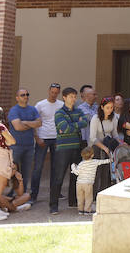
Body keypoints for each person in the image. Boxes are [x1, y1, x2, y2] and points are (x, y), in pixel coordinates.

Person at [49, 87, 90, 215]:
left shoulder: (78, 111)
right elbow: (64, 128)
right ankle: (53, 205)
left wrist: (72, 126)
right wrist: (75, 125)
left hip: (76, 147)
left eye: (74, 96)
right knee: (58, 176)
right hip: (63, 149)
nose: (73, 99)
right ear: (64, 98)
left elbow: (85, 122)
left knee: (75, 176)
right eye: (71, 96)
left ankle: (73, 201)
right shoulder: (59, 113)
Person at [32, 82, 62, 202]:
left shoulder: (61, 105)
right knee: (38, 167)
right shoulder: (40, 105)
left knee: (56, 167)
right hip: (42, 138)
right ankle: (33, 194)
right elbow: (34, 122)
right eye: (52, 92)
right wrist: (37, 138)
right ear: (48, 91)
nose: (54, 94)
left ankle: (55, 193)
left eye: (56, 92)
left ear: (58, 93)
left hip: (56, 138)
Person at [8, 88, 40, 197]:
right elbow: (17, 127)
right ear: (17, 98)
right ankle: (11, 193)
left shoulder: (33, 109)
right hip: (15, 146)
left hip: (29, 146)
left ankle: (22, 194)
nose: (25, 96)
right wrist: (31, 124)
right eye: (22, 95)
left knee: (26, 172)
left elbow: (39, 123)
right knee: (12, 171)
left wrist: (25, 122)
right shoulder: (14, 110)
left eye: (27, 94)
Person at [89, 97, 121, 193]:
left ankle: (104, 192)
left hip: (108, 146)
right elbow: (92, 138)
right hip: (97, 147)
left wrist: (120, 143)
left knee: (107, 172)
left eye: (111, 107)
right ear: (102, 107)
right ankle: (94, 195)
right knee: (97, 172)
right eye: (107, 107)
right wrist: (104, 148)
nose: (110, 110)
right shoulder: (96, 118)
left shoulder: (114, 117)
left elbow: (114, 133)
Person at [71, 146, 111, 215]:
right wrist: (111, 159)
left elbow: (77, 172)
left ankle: (80, 210)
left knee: (80, 197)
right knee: (88, 197)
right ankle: (87, 210)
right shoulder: (95, 162)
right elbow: (104, 161)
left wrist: (73, 166)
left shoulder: (81, 164)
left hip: (79, 183)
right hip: (88, 184)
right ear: (92, 155)